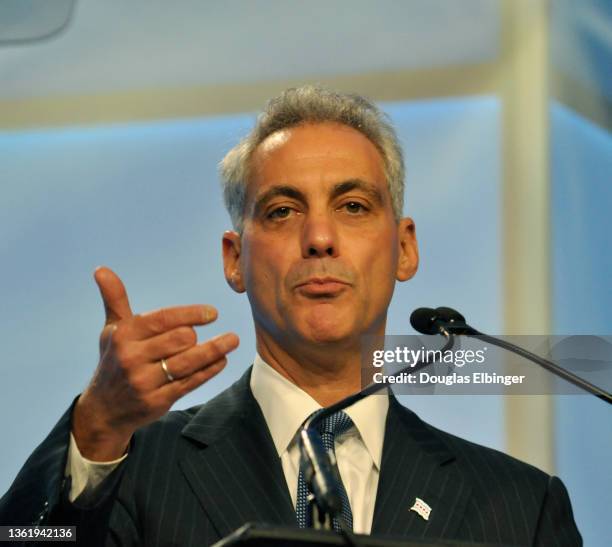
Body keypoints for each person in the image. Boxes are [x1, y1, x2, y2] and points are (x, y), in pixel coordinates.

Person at [0, 86, 581, 546]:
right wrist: (98, 426)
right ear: (235, 260)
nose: (320, 237)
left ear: (405, 249)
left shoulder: (519, 508)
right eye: (282, 211)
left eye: (353, 207)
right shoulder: (129, 469)